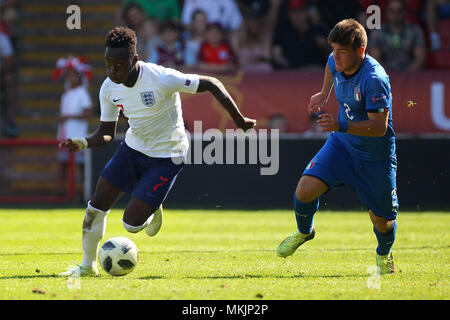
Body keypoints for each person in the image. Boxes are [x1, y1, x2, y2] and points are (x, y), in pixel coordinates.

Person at [59, 26, 256, 276]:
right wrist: (84, 142)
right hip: (133, 149)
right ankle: (87, 267)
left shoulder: (161, 77)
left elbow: (212, 83)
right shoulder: (109, 87)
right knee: (95, 207)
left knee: (130, 226)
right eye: (108, 63)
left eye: (118, 64)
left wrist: (238, 121)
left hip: (168, 154)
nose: (112, 70)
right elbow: (106, 133)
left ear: (135, 60)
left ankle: (151, 205)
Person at [276, 19, 398, 275]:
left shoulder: (375, 80)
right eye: (334, 49)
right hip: (342, 146)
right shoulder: (335, 60)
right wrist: (324, 93)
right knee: (304, 190)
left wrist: (340, 125)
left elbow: (379, 128)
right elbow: (331, 67)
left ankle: (384, 254)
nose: (336, 56)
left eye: (342, 51)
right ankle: (304, 232)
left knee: (383, 221)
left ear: (361, 52)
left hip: (374, 156)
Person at [52, 56, 93, 200]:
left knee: (80, 166)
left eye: (73, 74)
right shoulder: (67, 93)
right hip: (65, 133)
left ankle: (83, 192)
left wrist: (67, 117)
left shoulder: (82, 92)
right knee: (63, 164)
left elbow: (87, 112)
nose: (70, 77)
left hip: (77, 134)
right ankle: (62, 193)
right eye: (68, 74)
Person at [368, 0, 426, 71]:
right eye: (392, 11)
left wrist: (405, 76)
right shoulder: (377, 33)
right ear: (386, 12)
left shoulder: (415, 31)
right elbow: (375, 59)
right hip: (384, 76)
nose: (396, 14)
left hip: (410, 76)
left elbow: (420, 59)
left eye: (399, 11)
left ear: (405, 12)